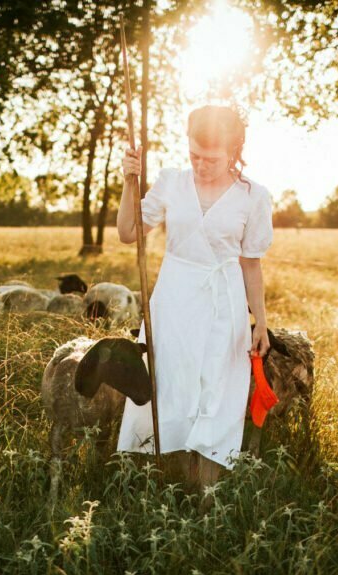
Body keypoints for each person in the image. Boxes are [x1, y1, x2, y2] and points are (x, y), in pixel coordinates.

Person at [114, 104, 274, 490]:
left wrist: (261, 322)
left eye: (212, 159)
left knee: (218, 389)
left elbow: (251, 265)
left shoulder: (254, 196)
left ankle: (206, 492)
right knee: (168, 381)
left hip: (224, 302)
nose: (201, 165)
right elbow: (128, 232)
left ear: (233, 149)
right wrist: (129, 181)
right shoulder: (172, 181)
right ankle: (163, 478)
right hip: (174, 298)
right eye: (194, 156)